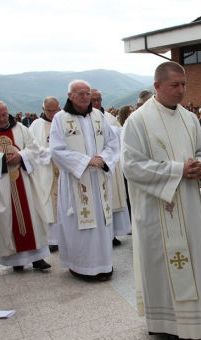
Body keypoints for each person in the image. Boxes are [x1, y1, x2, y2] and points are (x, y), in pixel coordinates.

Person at [122, 61, 201, 340]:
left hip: (188, 206)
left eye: (184, 84)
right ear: (157, 86)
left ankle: (192, 321)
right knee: (162, 264)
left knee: (191, 261)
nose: (181, 90)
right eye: (175, 85)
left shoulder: (189, 119)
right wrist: (177, 171)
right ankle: (167, 324)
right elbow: (131, 166)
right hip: (157, 210)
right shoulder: (137, 121)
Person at [50, 80, 118, 281]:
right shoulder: (60, 119)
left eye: (87, 93)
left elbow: (112, 143)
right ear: (70, 95)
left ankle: (104, 264)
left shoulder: (99, 116)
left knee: (101, 222)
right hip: (76, 180)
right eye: (80, 93)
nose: (85, 97)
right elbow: (57, 150)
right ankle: (80, 266)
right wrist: (86, 161)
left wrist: (102, 159)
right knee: (81, 223)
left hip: (98, 179)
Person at [0, 101, 51, 271]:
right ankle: (17, 260)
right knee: (6, 219)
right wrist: (1, 159)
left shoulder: (21, 129)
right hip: (1, 187)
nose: (2, 119)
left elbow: (33, 149)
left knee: (32, 216)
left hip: (24, 181)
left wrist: (22, 156)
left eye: (4, 114)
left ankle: (38, 258)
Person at [90, 89, 130, 246]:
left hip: (108, 165)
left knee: (110, 200)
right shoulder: (82, 119)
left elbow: (119, 136)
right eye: (94, 100)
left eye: (99, 99)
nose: (97, 103)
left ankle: (111, 234)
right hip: (91, 167)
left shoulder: (108, 117)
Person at [28, 97, 61, 252]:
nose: (53, 114)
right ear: (43, 109)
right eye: (49, 111)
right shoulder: (36, 125)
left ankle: (66, 237)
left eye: (56, 110)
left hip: (63, 168)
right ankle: (52, 239)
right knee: (48, 202)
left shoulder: (63, 121)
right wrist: (48, 152)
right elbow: (31, 145)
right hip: (46, 169)